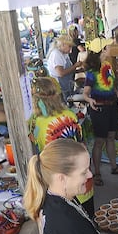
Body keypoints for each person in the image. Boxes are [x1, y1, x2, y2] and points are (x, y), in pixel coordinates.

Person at [28, 76, 94, 217]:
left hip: (57, 182)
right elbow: (81, 143)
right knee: (87, 219)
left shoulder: (34, 122)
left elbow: (34, 145)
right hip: (81, 175)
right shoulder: (70, 115)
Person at [82, 37, 118, 184]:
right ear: (102, 50)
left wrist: (117, 93)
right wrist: (89, 100)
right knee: (99, 140)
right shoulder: (92, 71)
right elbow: (86, 92)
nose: (110, 48)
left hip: (112, 106)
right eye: (108, 46)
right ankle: (96, 173)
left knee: (111, 137)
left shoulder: (107, 65)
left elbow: (111, 83)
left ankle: (114, 167)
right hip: (99, 109)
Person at [47, 35, 83, 102]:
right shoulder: (56, 54)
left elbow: (68, 69)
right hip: (59, 86)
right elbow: (61, 73)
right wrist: (75, 66)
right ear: (63, 45)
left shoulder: (64, 53)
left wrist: (79, 71)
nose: (70, 49)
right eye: (69, 46)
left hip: (67, 84)